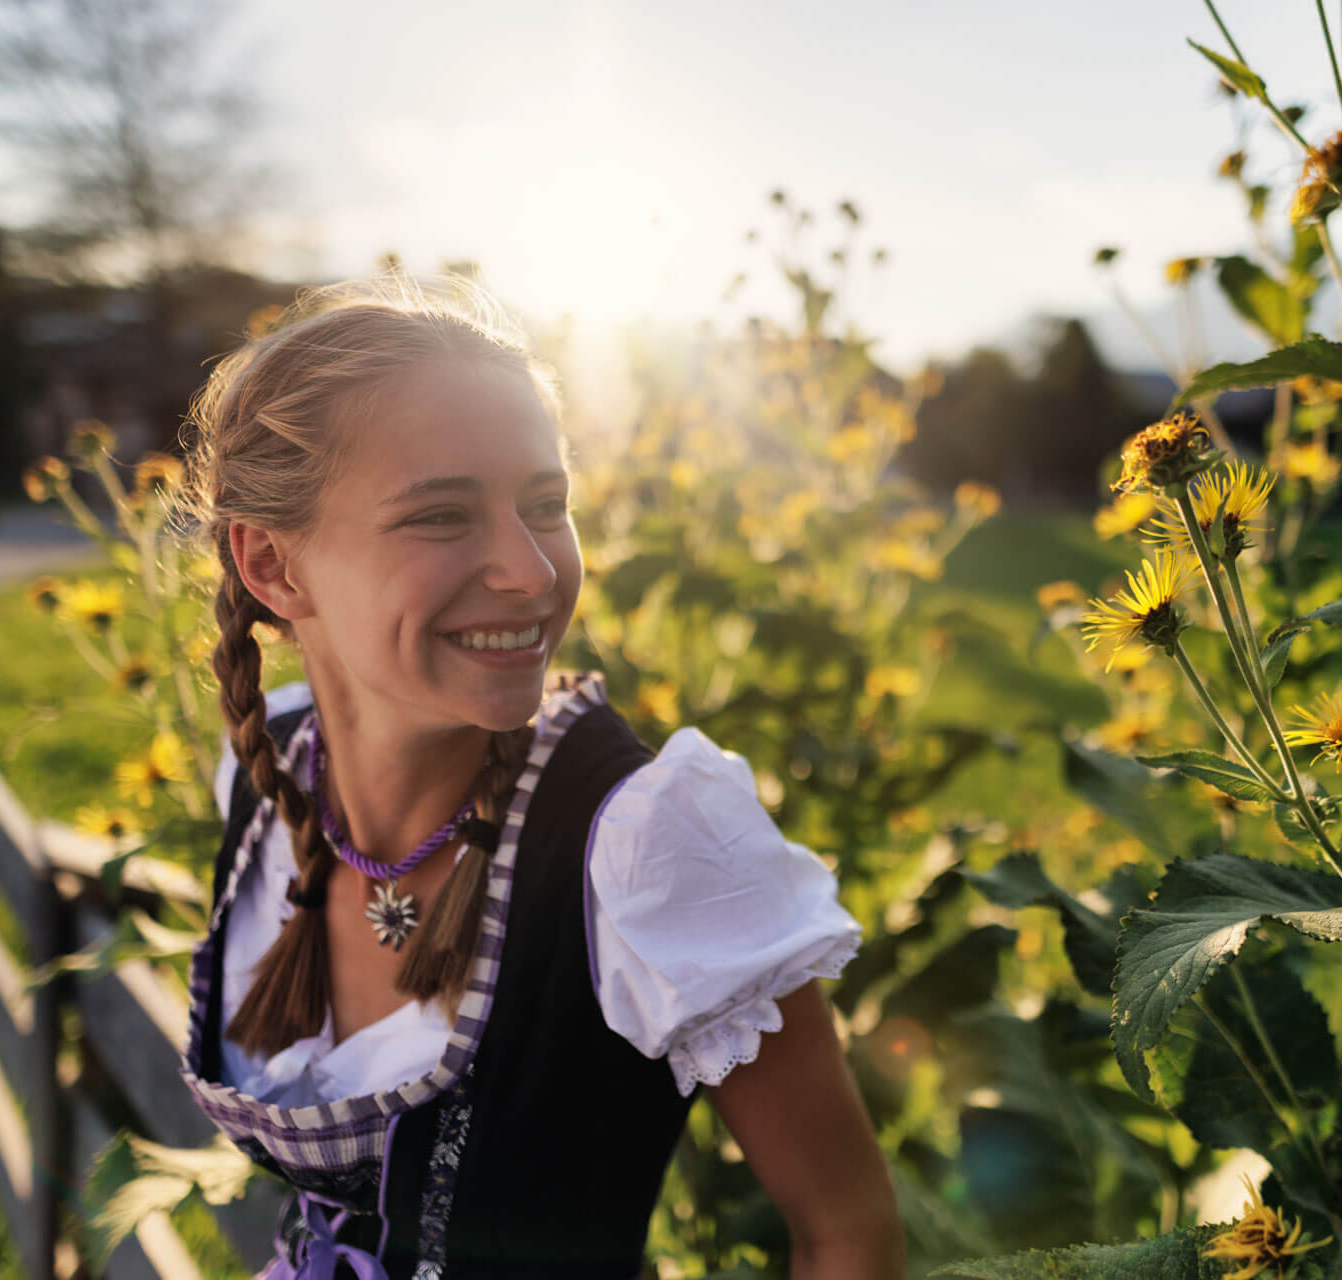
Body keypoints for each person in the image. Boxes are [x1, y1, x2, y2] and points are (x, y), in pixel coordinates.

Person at [170, 274, 905, 1278]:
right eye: (440, 517)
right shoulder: (270, 777)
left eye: (546, 503)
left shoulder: (645, 841)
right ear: (274, 567)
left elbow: (847, 1231)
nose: (530, 570)